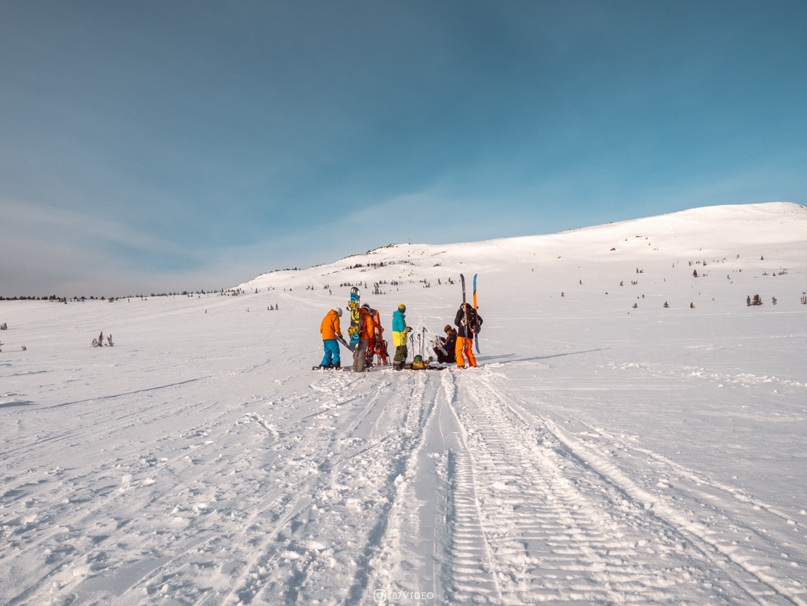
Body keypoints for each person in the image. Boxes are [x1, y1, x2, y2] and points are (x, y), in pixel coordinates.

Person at [454, 303, 483, 368]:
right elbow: (481, 320)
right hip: (470, 335)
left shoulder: (461, 311)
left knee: (458, 350)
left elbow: (456, 322)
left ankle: (461, 364)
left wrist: (461, 324)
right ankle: (473, 364)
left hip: (461, 333)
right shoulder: (473, 312)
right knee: (468, 350)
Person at [353, 304, 375, 372]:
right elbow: (370, 329)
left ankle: (355, 368)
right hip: (364, 337)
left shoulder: (356, 315)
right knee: (362, 353)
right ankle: (360, 369)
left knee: (357, 352)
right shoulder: (368, 317)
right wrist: (370, 337)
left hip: (356, 336)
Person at [392, 304, 410, 371]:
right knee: (400, 352)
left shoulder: (397, 316)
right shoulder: (399, 318)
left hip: (400, 338)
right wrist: (408, 329)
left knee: (404, 351)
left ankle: (402, 363)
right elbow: (402, 329)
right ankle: (396, 365)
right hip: (399, 338)